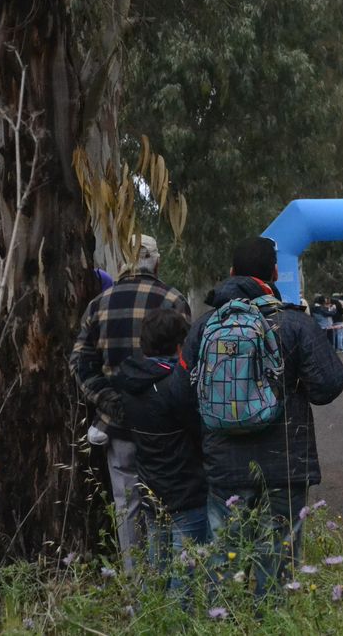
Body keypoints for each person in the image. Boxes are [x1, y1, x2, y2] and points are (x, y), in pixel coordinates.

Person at [180, 237, 343, 598]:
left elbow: (184, 389)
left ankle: (222, 622)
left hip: (224, 465)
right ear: (274, 273)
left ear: (230, 273)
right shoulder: (293, 323)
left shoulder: (204, 327)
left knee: (223, 560)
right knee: (279, 561)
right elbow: (328, 386)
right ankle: (271, 620)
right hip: (284, 466)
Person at [70, 234, 191, 573]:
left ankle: (138, 584)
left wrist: (110, 403)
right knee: (171, 500)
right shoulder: (173, 299)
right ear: (156, 261)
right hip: (166, 426)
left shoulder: (99, 304)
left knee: (128, 504)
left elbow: (79, 362)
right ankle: (173, 577)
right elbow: (186, 363)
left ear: (122, 263)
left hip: (118, 428)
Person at [111, 308, 208, 589]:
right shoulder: (175, 386)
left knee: (157, 571)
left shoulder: (128, 382)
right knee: (185, 579)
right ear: (180, 346)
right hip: (187, 493)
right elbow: (199, 431)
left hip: (152, 491)